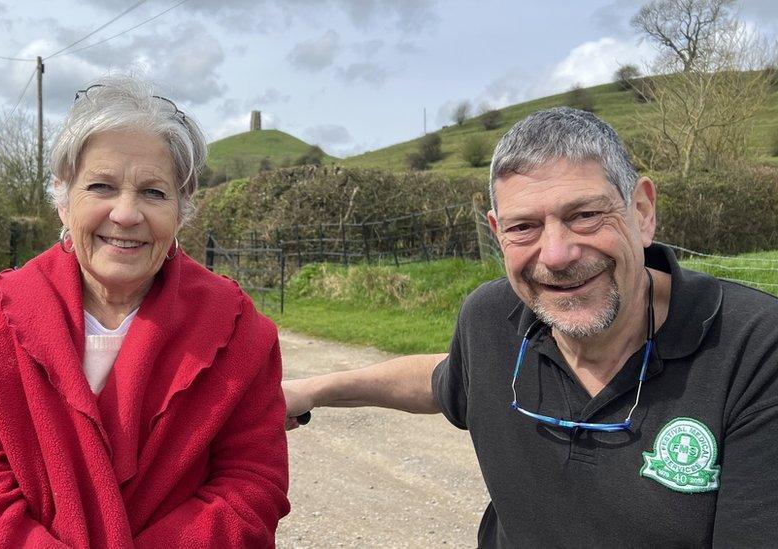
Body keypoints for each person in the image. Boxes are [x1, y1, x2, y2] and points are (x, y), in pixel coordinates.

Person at [283, 107, 778, 547]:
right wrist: (307, 391)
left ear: (642, 212)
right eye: (524, 227)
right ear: (499, 234)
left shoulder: (754, 347)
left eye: (585, 215)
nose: (557, 255)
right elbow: (447, 380)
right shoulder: (490, 319)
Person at [0, 75, 290, 548]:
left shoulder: (241, 332)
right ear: (62, 199)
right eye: (101, 185)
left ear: (182, 210)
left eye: (154, 193)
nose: (126, 214)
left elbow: (250, 487)